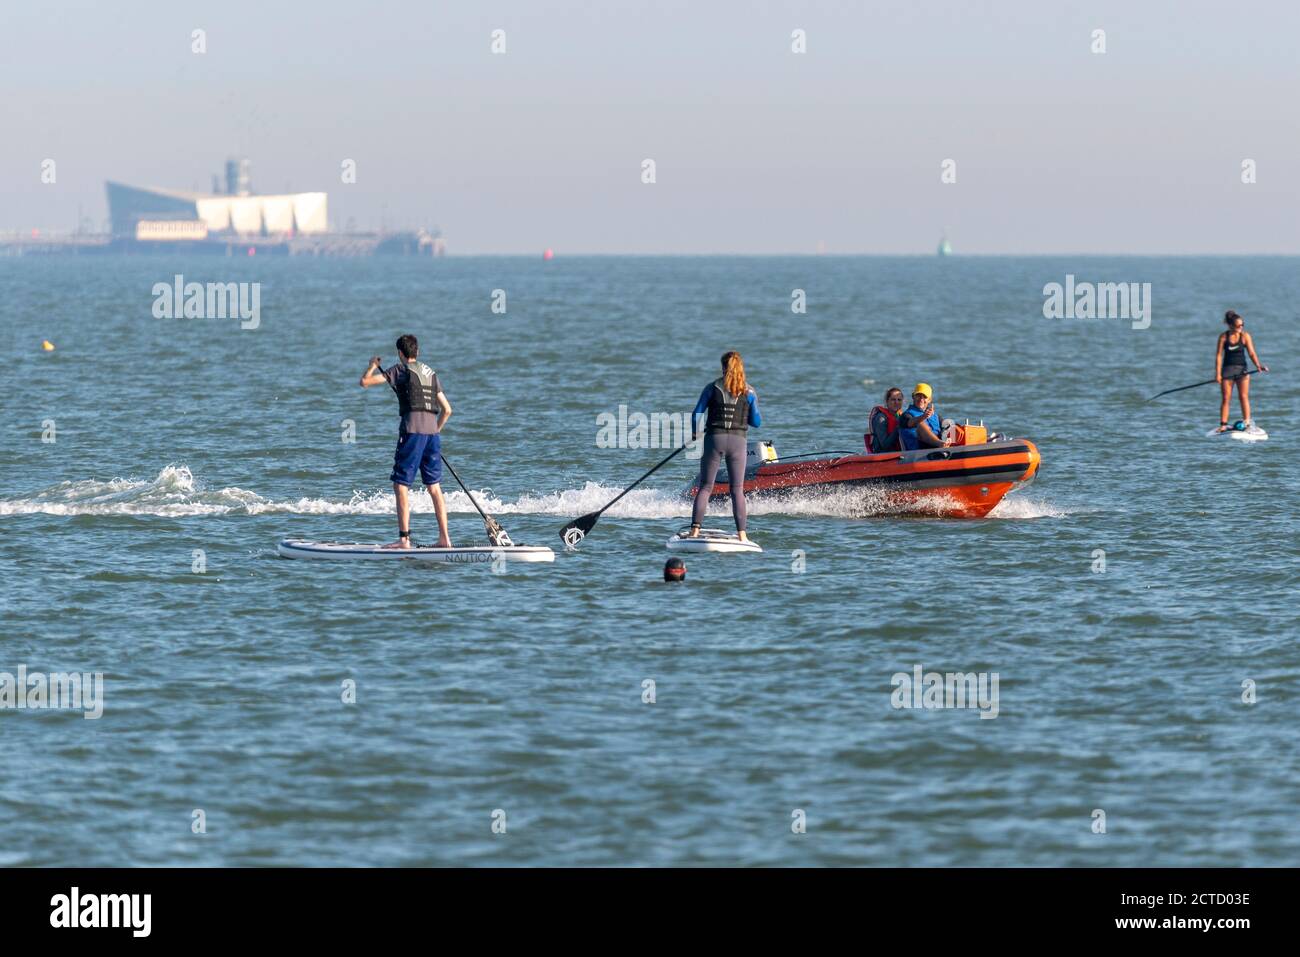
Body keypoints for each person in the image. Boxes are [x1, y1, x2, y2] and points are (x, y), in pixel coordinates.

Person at [360, 334, 453, 548]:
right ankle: (444, 539)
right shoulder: (431, 373)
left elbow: (364, 382)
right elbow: (447, 410)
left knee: (401, 486)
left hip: (412, 432)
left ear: (400, 354)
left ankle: (404, 540)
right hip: (432, 435)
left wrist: (372, 365)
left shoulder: (400, 370)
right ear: (417, 352)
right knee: (434, 488)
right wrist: (433, 433)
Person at [687, 351, 761, 541]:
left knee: (705, 487)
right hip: (738, 442)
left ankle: (694, 531)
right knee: (737, 489)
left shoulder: (712, 388)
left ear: (723, 368)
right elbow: (756, 422)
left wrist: (695, 433)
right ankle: (742, 536)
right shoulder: (749, 392)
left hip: (714, 439)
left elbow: (696, 414)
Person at [1215, 310, 1267, 431]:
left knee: (1243, 397)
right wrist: (1217, 375)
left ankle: (1247, 424)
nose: (1241, 327)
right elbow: (1218, 356)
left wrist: (1258, 365)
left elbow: (1252, 353)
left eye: (1242, 324)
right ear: (1231, 325)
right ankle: (1223, 425)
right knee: (1226, 398)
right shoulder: (1223, 337)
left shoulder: (1245, 336)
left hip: (1242, 371)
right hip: (1227, 371)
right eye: (1238, 325)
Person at [897, 383, 950, 451]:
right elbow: (910, 423)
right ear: (913, 396)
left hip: (939, 448)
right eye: (918, 396)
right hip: (919, 451)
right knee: (920, 423)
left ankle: (953, 447)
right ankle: (941, 444)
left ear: (929, 400)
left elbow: (947, 426)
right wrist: (923, 416)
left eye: (924, 397)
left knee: (951, 423)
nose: (921, 399)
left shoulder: (935, 416)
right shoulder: (905, 415)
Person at [866, 387, 904, 453]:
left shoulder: (901, 416)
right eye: (893, 400)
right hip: (882, 453)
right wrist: (898, 427)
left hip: (899, 453)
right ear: (887, 401)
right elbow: (884, 445)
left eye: (899, 400)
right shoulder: (881, 418)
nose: (896, 402)